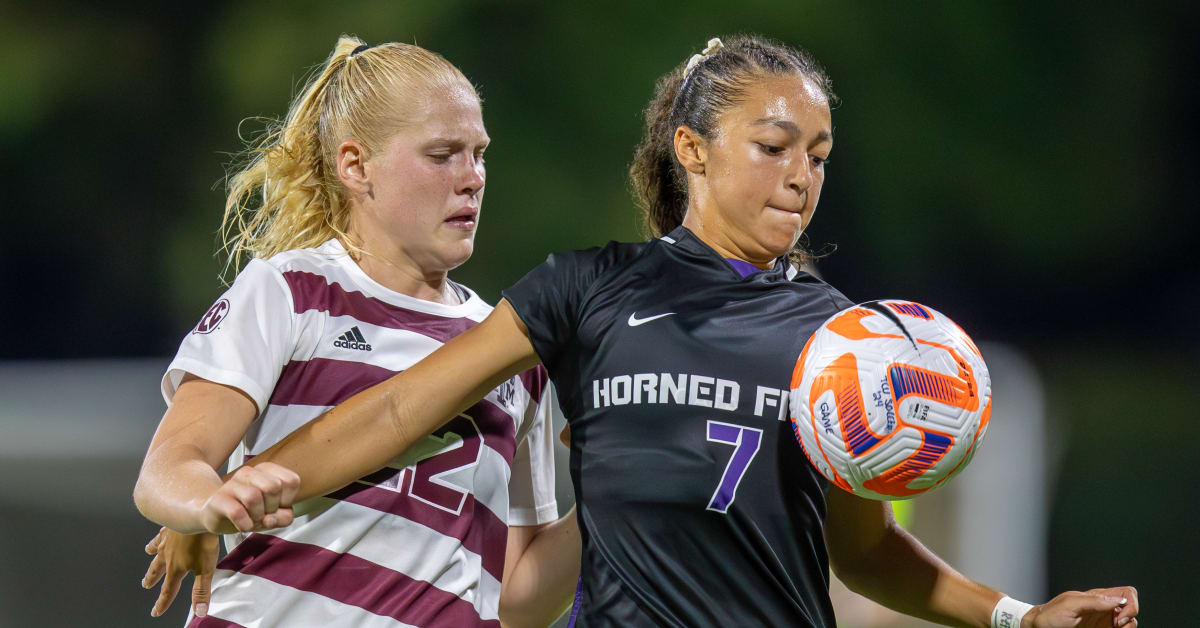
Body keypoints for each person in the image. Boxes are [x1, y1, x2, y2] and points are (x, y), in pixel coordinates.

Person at [157, 35, 1140, 627]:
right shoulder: (584, 296)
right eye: (774, 146)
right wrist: (222, 495)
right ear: (692, 151)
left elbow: (868, 551)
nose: (802, 174)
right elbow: (403, 407)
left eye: (820, 154)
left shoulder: (842, 343)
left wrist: (1013, 613)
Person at [133, 35, 579, 628]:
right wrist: (205, 502)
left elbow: (517, 600)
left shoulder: (511, 354)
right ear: (356, 166)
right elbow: (168, 467)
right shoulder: (292, 292)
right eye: (442, 154)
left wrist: (624, 493)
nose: (472, 178)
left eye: (479, 154)